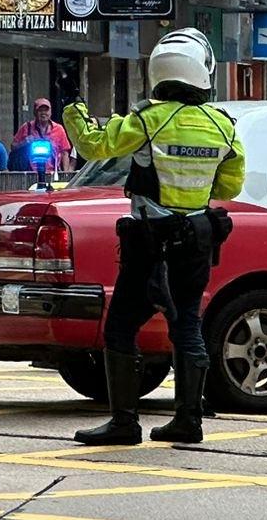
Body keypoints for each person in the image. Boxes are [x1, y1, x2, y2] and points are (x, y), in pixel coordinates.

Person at [62, 28, 245, 446]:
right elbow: (229, 189)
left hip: (150, 241)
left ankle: (125, 423)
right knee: (188, 325)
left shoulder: (148, 118)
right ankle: (189, 420)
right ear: (203, 71)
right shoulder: (223, 126)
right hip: (197, 239)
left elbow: (93, 146)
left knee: (122, 326)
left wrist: (73, 107)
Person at [12, 99, 72, 175]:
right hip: (29, 173)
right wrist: (25, 142)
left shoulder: (59, 129)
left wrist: (65, 173)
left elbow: (65, 153)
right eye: (40, 111)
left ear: (50, 112)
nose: (43, 113)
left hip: (52, 173)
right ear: (35, 112)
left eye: (46, 110)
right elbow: (13, 147)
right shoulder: (26, 128)